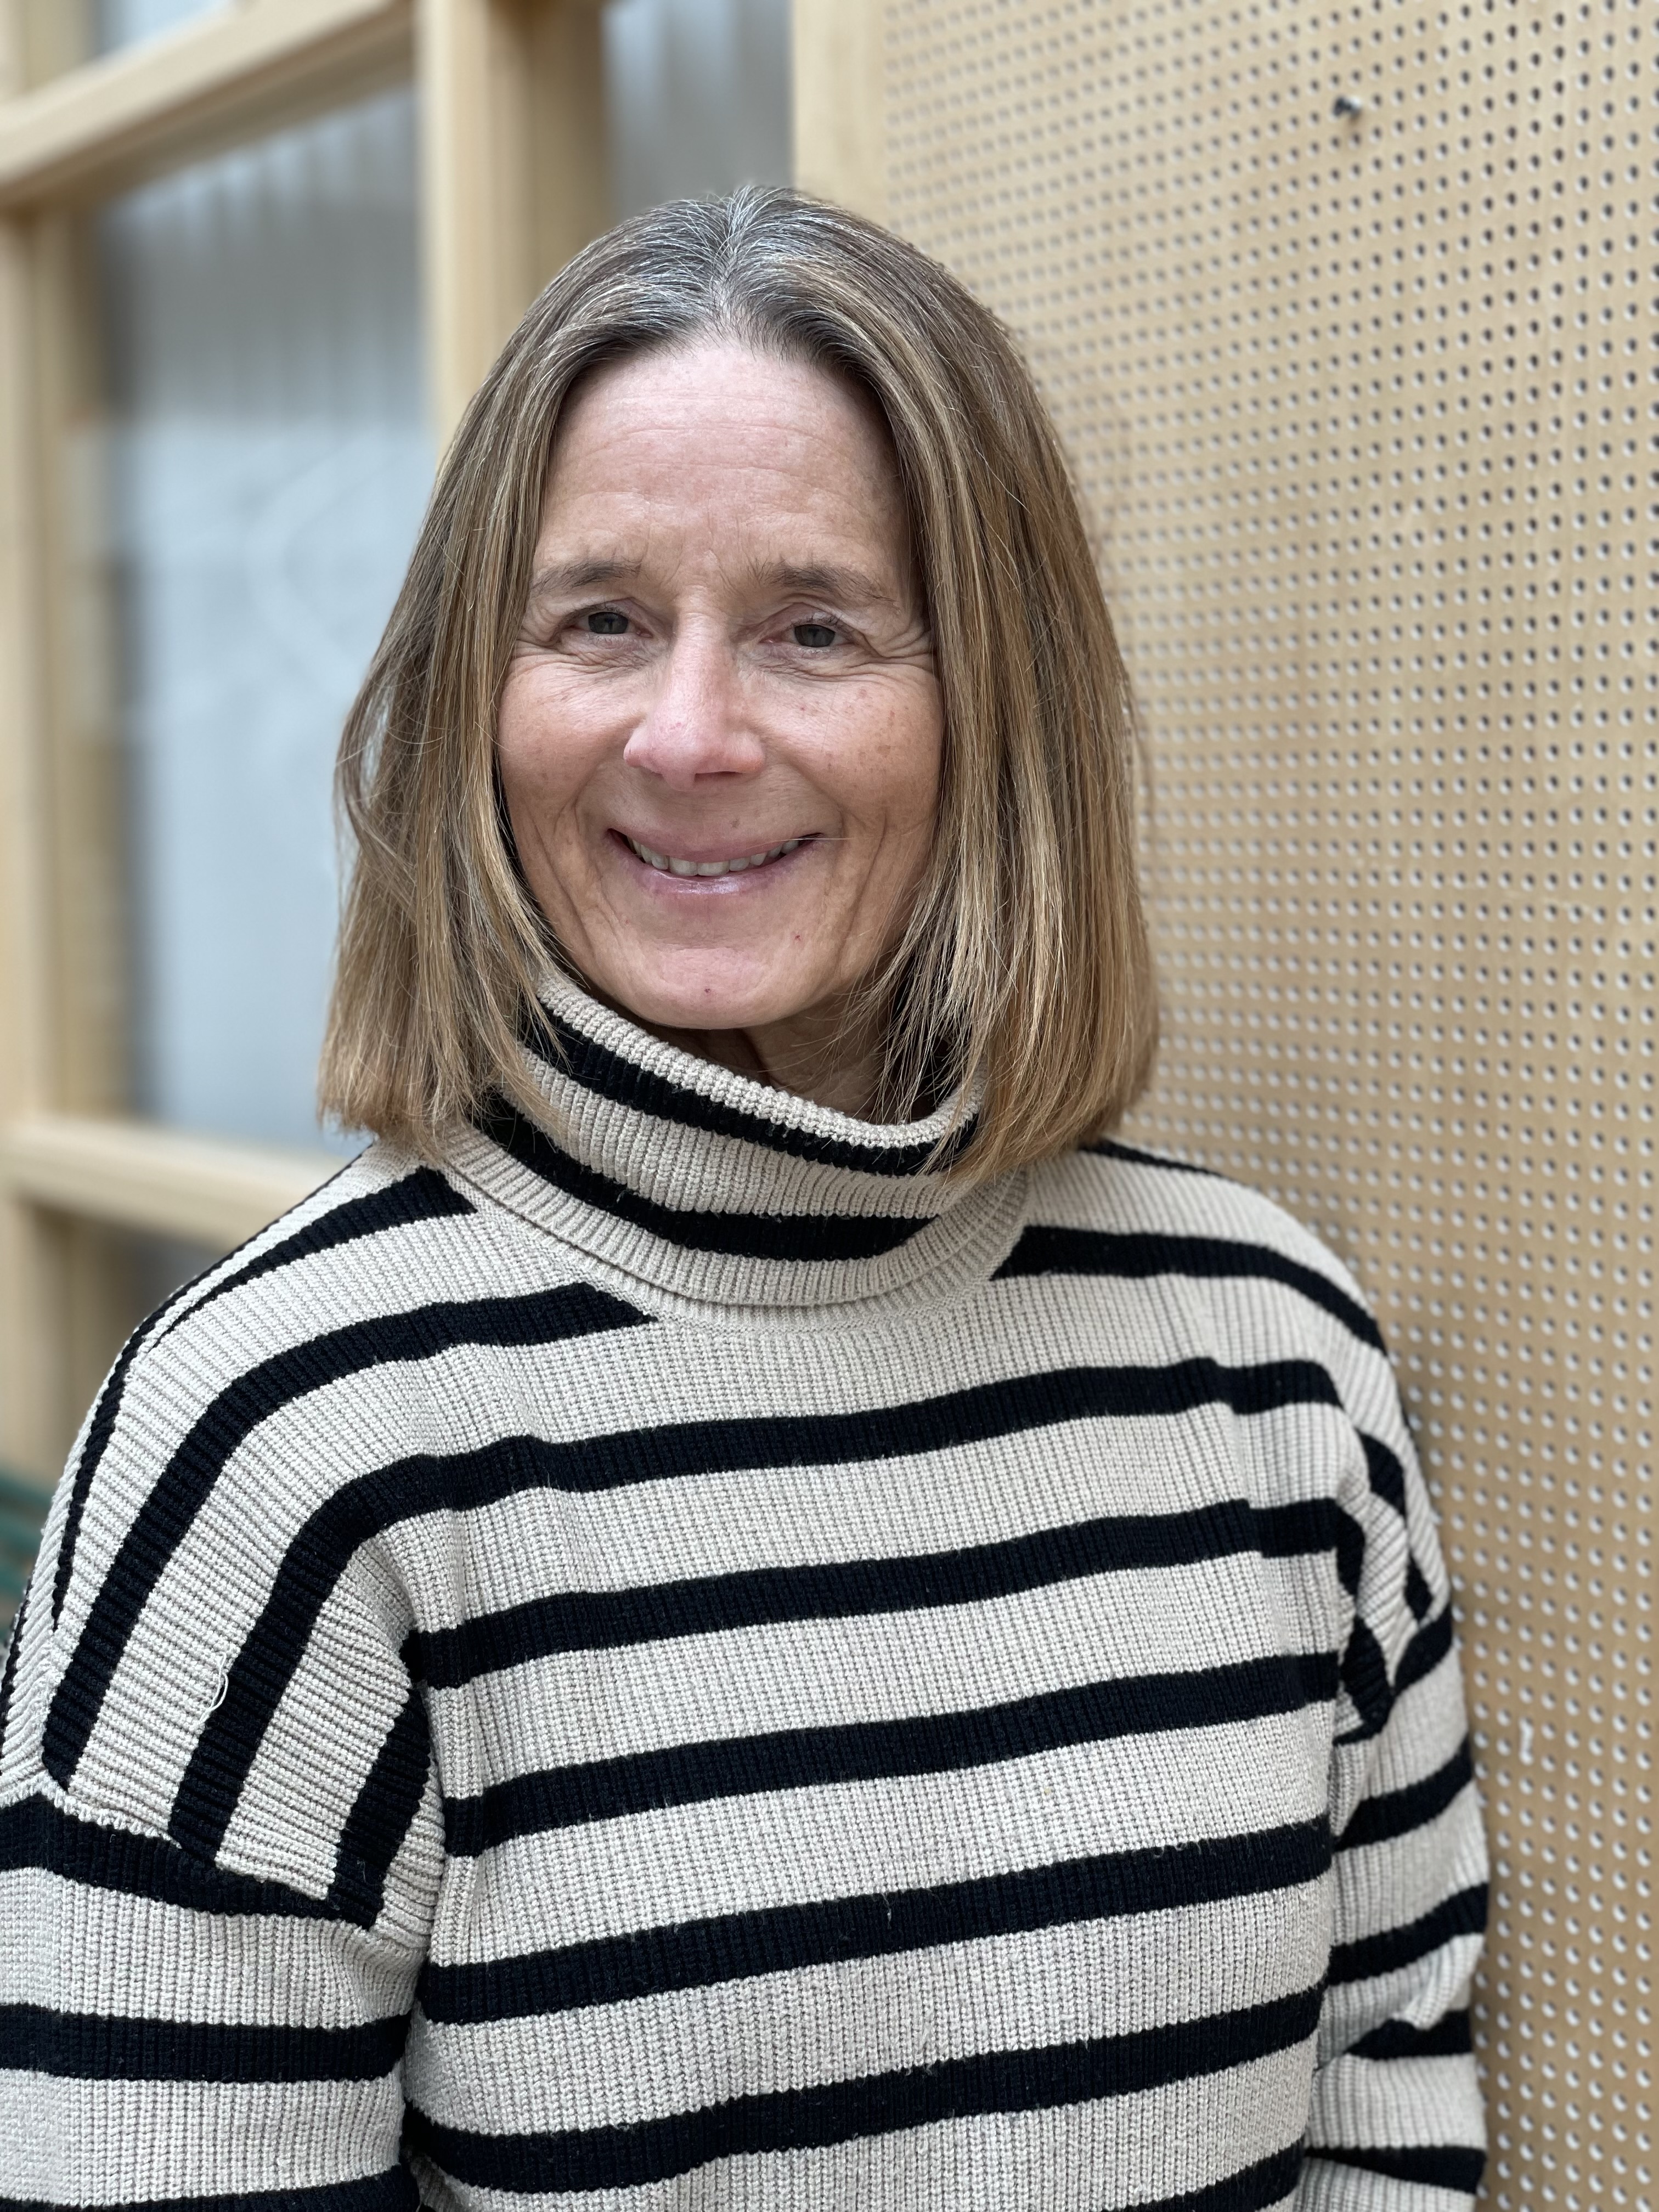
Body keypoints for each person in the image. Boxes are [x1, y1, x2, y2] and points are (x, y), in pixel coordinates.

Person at [0, 190, 1486, 2209]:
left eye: (816, 628)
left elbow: (1389, 2102)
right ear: (477, 698)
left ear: (998, 714)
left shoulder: (1269, 1353)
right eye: (599, 620)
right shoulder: (279, 1435)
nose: (689, 734)